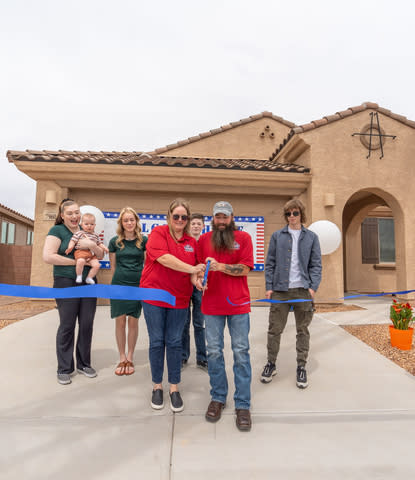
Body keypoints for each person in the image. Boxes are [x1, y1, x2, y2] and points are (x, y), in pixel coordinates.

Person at [140, 198, 205, 413]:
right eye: (175, 216)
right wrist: (192, 268)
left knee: (175, 342)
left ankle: (174, 388)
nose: (179, 220)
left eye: (183, 217)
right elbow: (165, 259)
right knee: (157, 341)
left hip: (179, 299)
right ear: (169, 216)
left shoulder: (192, 242)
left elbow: (191, 274)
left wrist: (196, 280)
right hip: (154, 296)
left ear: (187, 219)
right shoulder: (159, 233)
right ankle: (157, 386)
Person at [197, 201, 254, 432]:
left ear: (232, 217)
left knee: (240, 352)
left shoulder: (244, 239)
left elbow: (246, 268)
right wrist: (199, 278)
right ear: (213, 218)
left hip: (239, 305)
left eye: (225, 217)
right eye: (218, 217)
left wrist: (221, 267)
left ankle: (243, 404)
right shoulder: (203, 240)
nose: (221, 221)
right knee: (213, 352)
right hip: (212, 305)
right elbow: (198, 269)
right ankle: (218, 397)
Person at [43, 199, 105, 385]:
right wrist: (76, 263)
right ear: (62, 215)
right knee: (67, 324)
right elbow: (48, 256)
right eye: (70, 213)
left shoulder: (86, 231)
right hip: (65, 282)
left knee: (87, 324)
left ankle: (84, 364)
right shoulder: (57, 231)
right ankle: (64, 368)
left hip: (89, 282)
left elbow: (101, 255)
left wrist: (92, 246)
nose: (74, 216)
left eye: (77, 212)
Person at [261, 198, 322, 389]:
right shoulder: (278, 236)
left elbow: (316, 265)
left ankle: (301, 366)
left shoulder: (311, 237)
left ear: (301, 214)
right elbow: (270, 263)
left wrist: (312, 287)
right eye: (288, 214)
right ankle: (271, 363)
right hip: (280, 290)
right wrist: (269, 285)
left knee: (302, 330)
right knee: (274, 330)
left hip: (302, 290)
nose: (292, 217)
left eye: (295, 213)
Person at [108, 207, 147, 376]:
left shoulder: (143, 241)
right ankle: (121, 356)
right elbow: (113, 266)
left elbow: (147, 265)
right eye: (126, 220)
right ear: (121, 223)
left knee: (133, 321)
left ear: (136, 221)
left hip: (138, 285)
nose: (129, 223)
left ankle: (130, 356)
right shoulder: (114, 242)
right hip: (119, 285)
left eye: (132, 220)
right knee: (120, 321)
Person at [181, 213, 208, 371]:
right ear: (188, 225)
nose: (196, 226)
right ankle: (183, 356)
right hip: (184, 285)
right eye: (193, 223)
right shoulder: (184, 243)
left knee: (199, 323)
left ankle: (202, 358)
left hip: (200, 286)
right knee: (184, 323)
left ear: (203, 226)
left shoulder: (205, 243)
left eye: (199, 224)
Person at [65, 212, 109, 284]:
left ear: (95, 225)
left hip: (91, 254)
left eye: (91, 224)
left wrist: (105, 248)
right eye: (86, 224)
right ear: (81, 224)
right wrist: (70, 247)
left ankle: (89, 277)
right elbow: (73, 240)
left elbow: (99, 243)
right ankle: (79, 275)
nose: (89, 226)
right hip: (81, 252)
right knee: (80, 261)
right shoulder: (79, 233)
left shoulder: (95, 235)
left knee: (97, 265)